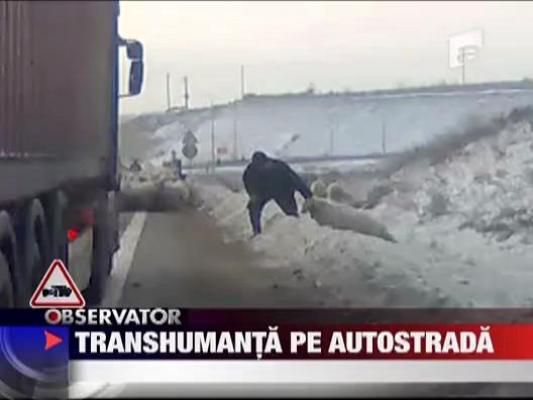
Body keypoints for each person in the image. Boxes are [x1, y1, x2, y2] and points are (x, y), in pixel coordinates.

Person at [243, 151, 313, 236]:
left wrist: (307, 195)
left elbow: (295, 180)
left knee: (291, 213)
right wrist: (252, 195)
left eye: (263, 165)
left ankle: (297, 232)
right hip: (263, 191)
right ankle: (256, 232)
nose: (262, 167)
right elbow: (248, 184)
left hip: (281, 190)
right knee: (254, 208)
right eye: (259, 166)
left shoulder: (279, 167)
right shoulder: (250, 171)